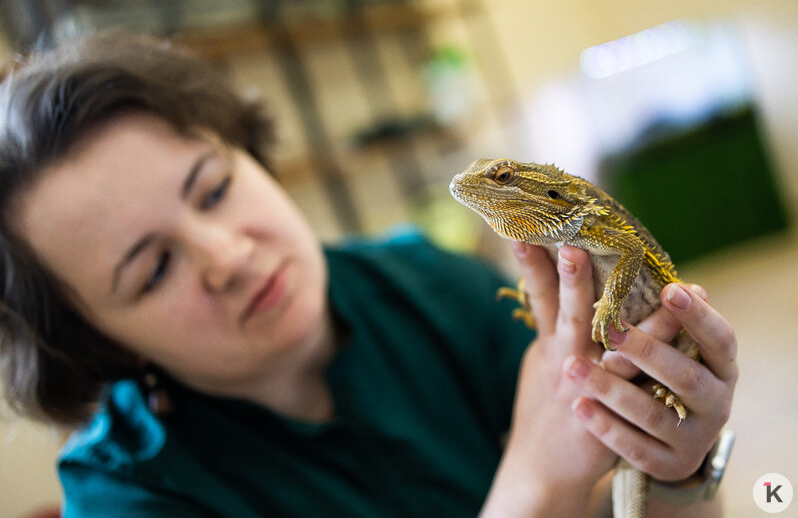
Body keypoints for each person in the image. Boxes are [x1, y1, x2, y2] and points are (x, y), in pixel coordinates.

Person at [0, 34, 737, 517]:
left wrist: (676, 471)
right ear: (93, 340)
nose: (228, 257)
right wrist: (536, 484)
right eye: (155, 268)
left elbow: (619, 499)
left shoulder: (433, 284)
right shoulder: (125, 496)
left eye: (214, 188)